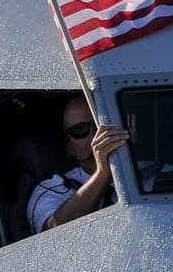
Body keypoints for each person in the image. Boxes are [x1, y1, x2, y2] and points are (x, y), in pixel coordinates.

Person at [27, 95, 130, 233]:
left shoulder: (158, 175)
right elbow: (53, 233)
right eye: (80, 130)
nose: (96, 137)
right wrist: (102, 175)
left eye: (101, 124)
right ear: (69, 147)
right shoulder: (53, 189)